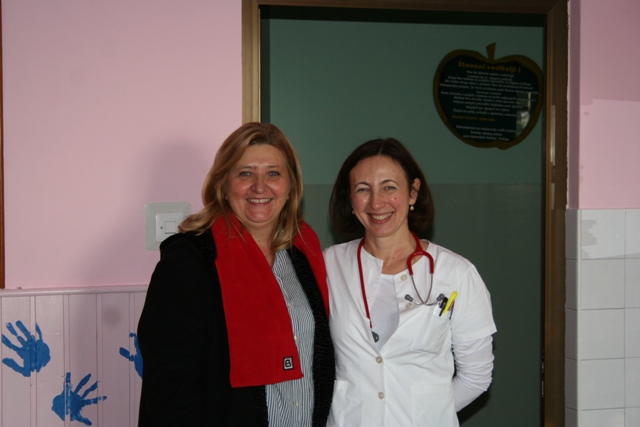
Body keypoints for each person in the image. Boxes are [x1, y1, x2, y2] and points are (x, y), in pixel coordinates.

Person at [137, 122, 335, 427]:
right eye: (245, 174)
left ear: (291, 187)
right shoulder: (188, 264)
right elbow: (169, 390)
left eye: (273, 173)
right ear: (223, 185)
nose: (260, 187)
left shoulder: (305, 254)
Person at [324, 138, 496, 427]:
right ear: (350, 200)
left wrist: (427, 416)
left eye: (389, 187)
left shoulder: (456, 273)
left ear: (413, 192)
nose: (376, 202)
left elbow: (476, 376)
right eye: (363, 189)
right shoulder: (329, 265)